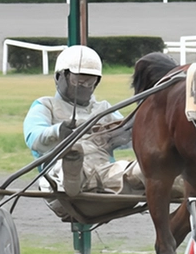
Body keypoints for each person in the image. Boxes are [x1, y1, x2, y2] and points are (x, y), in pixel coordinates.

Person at [24, 45, 141, 199]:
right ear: (60, 77)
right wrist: (59, 131)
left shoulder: (103, 109)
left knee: (135, 169)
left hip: (103, 172)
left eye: (90, 82)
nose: (85, 87)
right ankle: (73, 172)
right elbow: (34, 137)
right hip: (56, 178)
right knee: (66, 161)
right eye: (78, 82)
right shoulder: (45, 105)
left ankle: (168, 180)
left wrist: (126, 131)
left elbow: (132, 136)